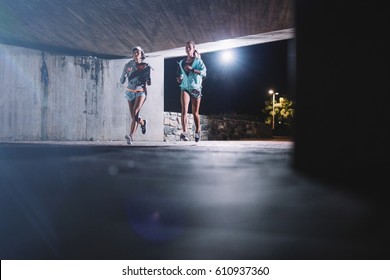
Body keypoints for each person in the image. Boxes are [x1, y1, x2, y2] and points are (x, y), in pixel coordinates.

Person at [120, 46, 152, 145]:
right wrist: (124, 75)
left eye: (137, 52)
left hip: (141, 91)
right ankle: (143, 123)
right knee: (134, 116)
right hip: (130, 91)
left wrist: (148, 80)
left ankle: (131, 136)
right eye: (134, 52)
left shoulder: (146, 66)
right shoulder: (128, 65)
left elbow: (148, 81)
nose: (135, 54)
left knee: (135, 112)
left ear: (141, 54)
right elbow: (122, 80)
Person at [176, 40, 207, 142]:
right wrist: (179, 78)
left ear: (193, 49)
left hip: (195, 89)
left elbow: (204, 73)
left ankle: (198, 131)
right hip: (184, 87)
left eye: (189, 47)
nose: (188, 49)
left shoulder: (198, 61)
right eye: (186, 47)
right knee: (184, 110)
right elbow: (179, 74)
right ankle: (184, 133)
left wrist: (193, 70)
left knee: (195, 113)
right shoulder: (181, 62)